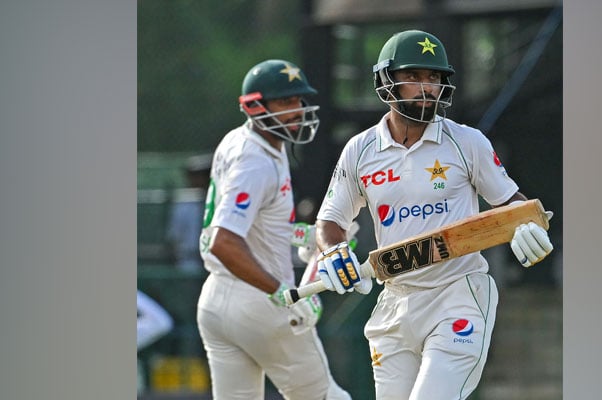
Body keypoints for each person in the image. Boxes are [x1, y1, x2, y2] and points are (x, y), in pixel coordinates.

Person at [313, 30, 554, 399]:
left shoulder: (467, 142)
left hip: (457, 293)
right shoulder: (359, 151)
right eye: (414, 77)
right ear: (386, 81)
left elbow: (514, 206)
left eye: (435, 78)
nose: (427, 88)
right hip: (394, 302)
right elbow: (330, 221)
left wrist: (527, 226)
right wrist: (333, 252)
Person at [196, 59, 351, 400]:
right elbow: (225, 241)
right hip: (257, 297)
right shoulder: (256, 160)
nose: (297, 110)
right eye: (285, 103)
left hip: (215, 301)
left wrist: (307, 236)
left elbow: (258, 224)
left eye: (298, 101)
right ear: (255, 106)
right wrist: (282, 293)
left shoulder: (246, 141)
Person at [166, 153, 212, 273]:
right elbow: (175, 236)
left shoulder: (218, 200)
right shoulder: (183, 203)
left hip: (215, 260)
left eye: (202, 175)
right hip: (189, 262)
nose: (198, 180)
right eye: (193, 175)